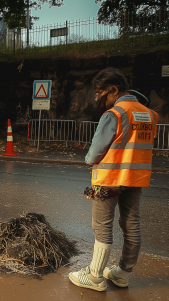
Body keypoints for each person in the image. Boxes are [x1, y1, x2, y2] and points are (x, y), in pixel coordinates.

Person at [68, 67, 159, 291]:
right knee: (132, 224)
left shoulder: (114, 114)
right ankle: (121, 273)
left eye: (101, 93)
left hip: (109, 179)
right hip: (136, 178)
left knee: (102, 226)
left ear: (114, 90)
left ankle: (95, 276)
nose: (99, 99)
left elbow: (95, 153)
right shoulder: (149, 114)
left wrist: (89, 158)